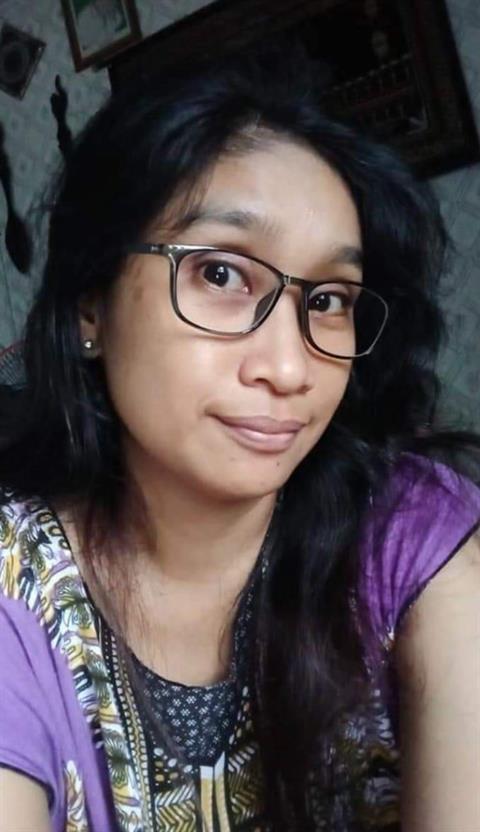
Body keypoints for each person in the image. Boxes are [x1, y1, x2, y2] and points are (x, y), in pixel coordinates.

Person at [0, 45, 479, 832]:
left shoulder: (408, 534)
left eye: (328, 299)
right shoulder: (15, 591)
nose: (290, 369)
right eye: (221, 274)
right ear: (91, 304)